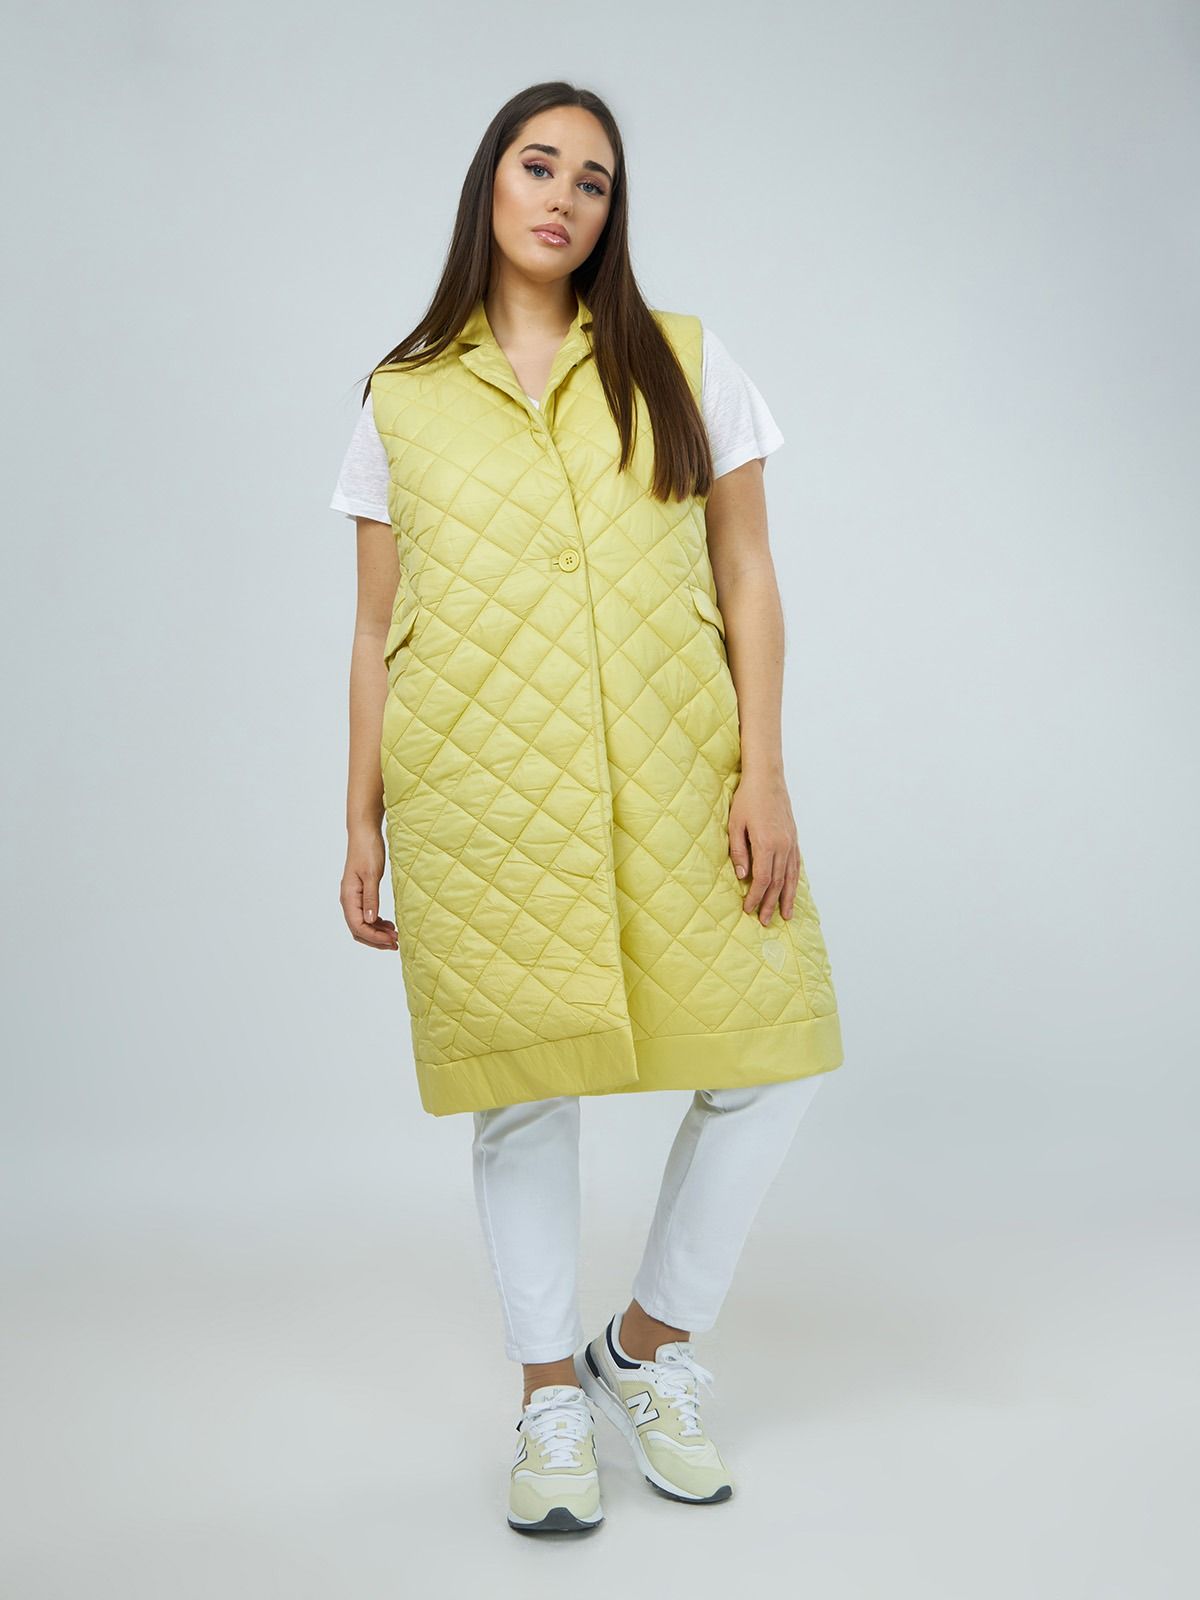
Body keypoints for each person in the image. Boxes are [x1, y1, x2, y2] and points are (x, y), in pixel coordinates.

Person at [331, 81, 845, 1536]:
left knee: (775, 1052)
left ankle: (645, 1345)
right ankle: (550, 1396)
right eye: (538, 164)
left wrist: (763, 770)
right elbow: (372, 627)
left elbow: (748, 573)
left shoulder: (683, 360)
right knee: (522, 1089)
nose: (562, 196)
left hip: (679, 768)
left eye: (594, 180)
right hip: (480, 789)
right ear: (489, 182)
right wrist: (360, 819)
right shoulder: (402, 394)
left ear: (613, 214)